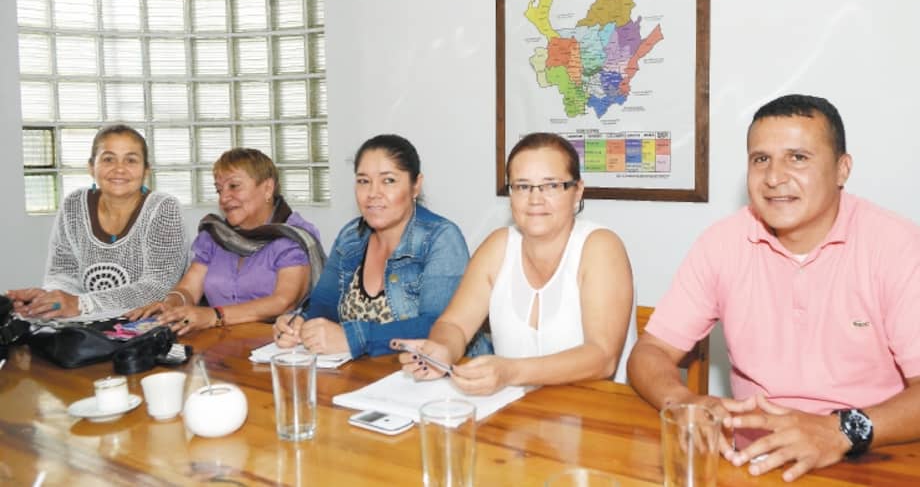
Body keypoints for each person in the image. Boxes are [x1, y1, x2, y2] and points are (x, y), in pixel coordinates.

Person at [627, 94, 920, 482]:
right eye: (760, 159)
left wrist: (839, 431)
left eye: (798, 157)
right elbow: (651, 351)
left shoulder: (897, 246)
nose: (774, 177)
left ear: (841, 169)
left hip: (874, 453)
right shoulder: (722, 243)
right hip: (753, 457)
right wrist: (686, 403)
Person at [393, 132, 637, 395]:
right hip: (516, 417)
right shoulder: (498, 246)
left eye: (551, 185)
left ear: (577, 190)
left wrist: (511, 371)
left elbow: (602, 357)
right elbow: (454, 325)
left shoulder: (600, 247)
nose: (535, 198)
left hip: (598, 418)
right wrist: (443, 349)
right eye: (522, 186)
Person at [273, 134, 483, 358]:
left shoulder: (441, 238)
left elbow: (440, 327)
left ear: (416, 186)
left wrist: (353, 338)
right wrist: (299, 323)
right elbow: (323, 304)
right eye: (363, 181)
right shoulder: (350, 236)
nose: (373, 193)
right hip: (361, 378)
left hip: (431, 377)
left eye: (388, 180)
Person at [127, 148, 323, 334]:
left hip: (278, 346)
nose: (224, 198)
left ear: (267, 188)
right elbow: (188, 289)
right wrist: (171, 305)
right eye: (219, 190)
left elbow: (284, 301)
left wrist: (215, 316)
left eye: (234, 186)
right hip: (217, 346)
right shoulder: (215, 236)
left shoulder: (292, 238)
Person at [8, 124, 186, 319]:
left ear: (146, 171)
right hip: (86, 327)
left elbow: (158, 288)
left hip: (148, 330)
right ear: (91, 167)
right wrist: (50, 300)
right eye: (108, 159)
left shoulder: (163, 209)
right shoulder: (73, 204)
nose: (119, 169)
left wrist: (81, 303)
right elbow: (62, 273)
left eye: (131, 160)